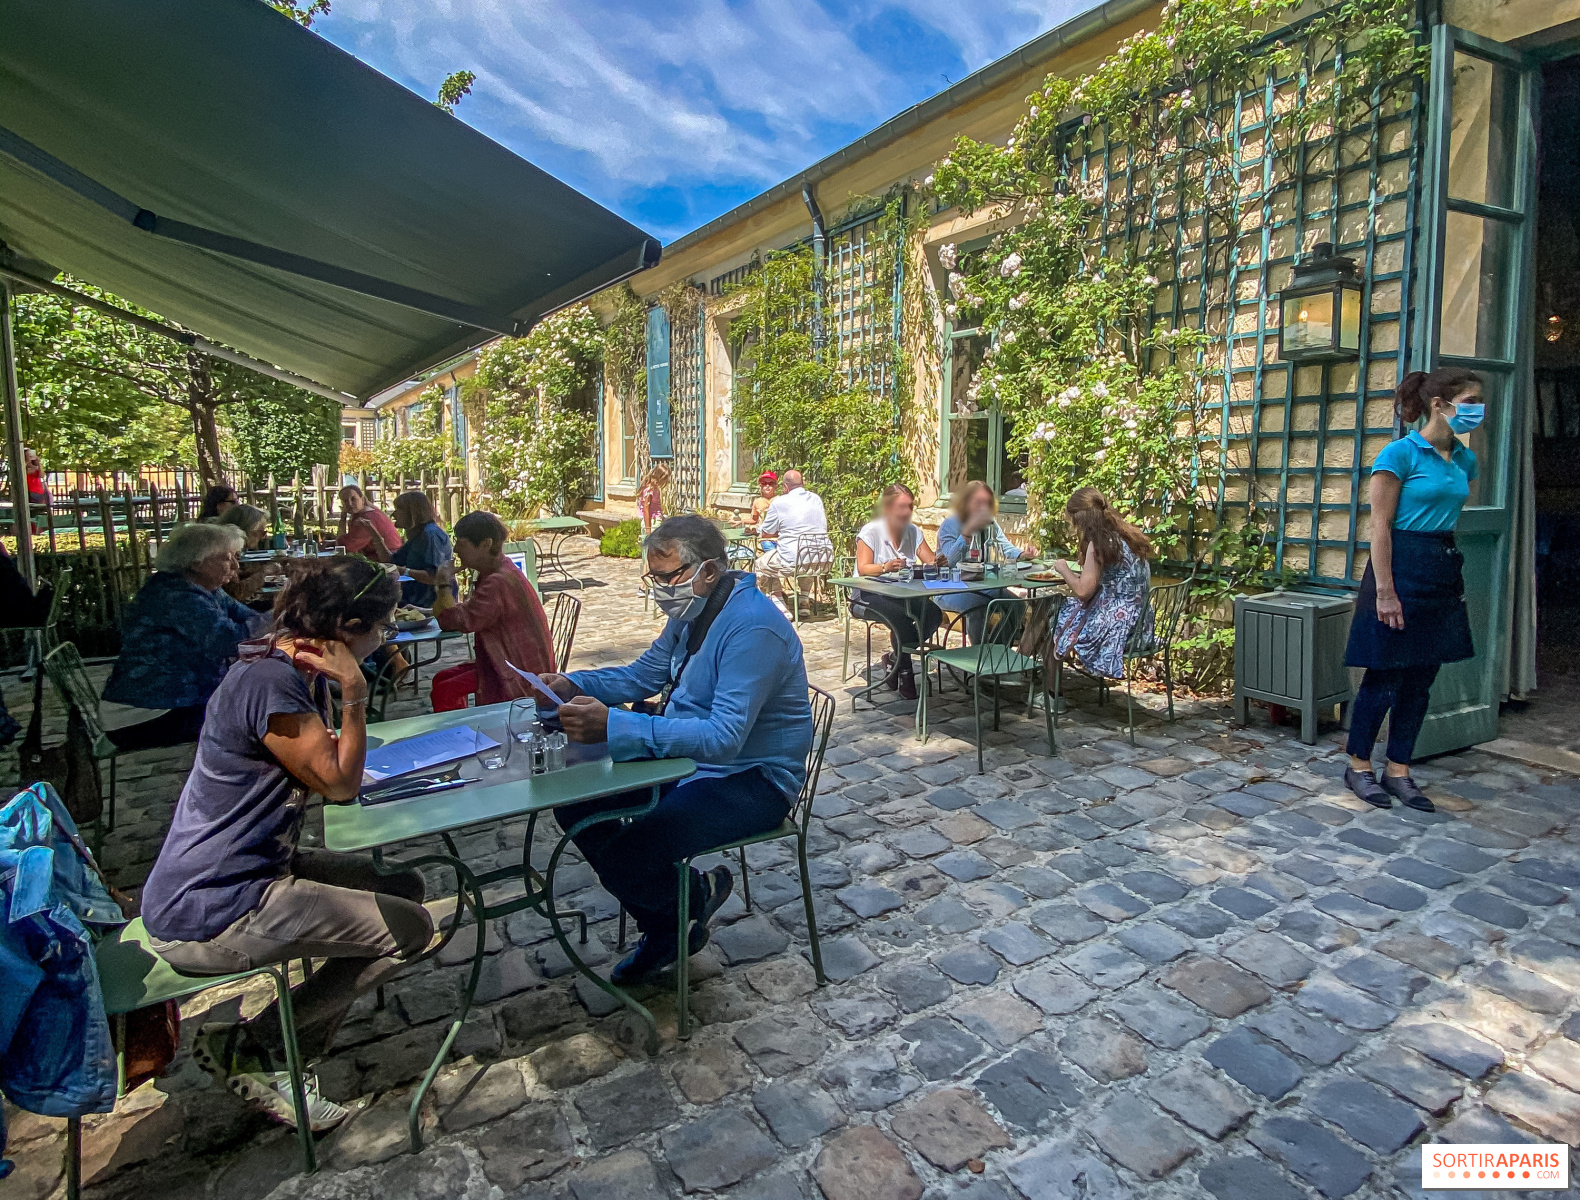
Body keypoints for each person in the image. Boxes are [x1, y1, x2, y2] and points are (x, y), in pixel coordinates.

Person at [140, 557, 427, 1131]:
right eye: (383, 625)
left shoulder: (283, 658)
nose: (384, 636)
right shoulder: (274, 682)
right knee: (411, 929)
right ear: (347, 627)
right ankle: (254, 1046)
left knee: (402, 886)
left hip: (249, 868)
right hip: (215, 901)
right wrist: (354, 692)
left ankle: (292, 1052)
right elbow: (340, 785)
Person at [537, 515, 812, 985]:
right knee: (577, 805)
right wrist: (574, 682)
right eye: (654, 578)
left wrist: (615, 725)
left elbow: (725, 739)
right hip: (690, 757)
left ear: (709, 570)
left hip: (752, 779)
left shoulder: (752, 628)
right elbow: (644, 675)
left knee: (634, 852)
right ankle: (681, 908)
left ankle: (672, 919)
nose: (661, 588)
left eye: (669, 577)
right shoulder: (692, 613)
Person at [1343, 367, 1484, 813]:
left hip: (1439, 566)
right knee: (1384, 675)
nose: (1477, 410)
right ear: (1439, 405)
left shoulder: (1464, 459)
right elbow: (1380, 527)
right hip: (1398, 566)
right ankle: (1359, 764)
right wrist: (1385, 590)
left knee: (1421, 678)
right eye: (1470, 401)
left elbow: (1449, 513)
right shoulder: (1399, 455)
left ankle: (1399, 768)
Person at [101, 522, 268, 750]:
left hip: (174, 701)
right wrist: (281, 615)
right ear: (197, 562)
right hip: (145, 714)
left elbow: (250, 620)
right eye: (226, 557)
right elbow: (230, 641)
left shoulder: (205, 589)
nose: (235, 565)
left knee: (260, 702)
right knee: (260, 716)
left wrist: (275, 619)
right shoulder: (174, 595)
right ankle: (231, 781)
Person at [429, 510, 556, 710]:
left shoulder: (498, 581)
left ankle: (459, 737)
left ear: (486, 544)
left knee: (445, 690)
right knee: (441, 678)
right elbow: (472, 609)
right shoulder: (500, 568)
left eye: (461, 543)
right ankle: (461, 728)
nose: (455, 549)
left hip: (521, 674)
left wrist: (444, 582)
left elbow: (453, 621)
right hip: (507, 663)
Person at [1049, 488, 1154, 679]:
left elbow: (1083, 591)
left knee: (1051, 611)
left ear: (1080, 519)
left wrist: (1063, 568)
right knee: (1059, 612)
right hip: (1141, 625)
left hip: (1118, 630)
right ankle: (1025, 669)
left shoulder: (1099, 543)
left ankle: (1049, 691)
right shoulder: (1126, 537)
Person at [854, 484, 941, 701]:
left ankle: (894, 657)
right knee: (901, 619)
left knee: (934, 614)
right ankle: (906, 672)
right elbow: (863, 568)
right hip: (866, 594)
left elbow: (929, 561)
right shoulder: (871, 531)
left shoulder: (913, 532)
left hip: (902, 595)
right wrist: (886, 567)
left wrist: (938, 562)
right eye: (902, 507)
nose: (906, 512)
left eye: (910, 506)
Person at [935, 480, 1039, 643]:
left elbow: (1004, 547)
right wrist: (966, 534)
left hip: (981, 584)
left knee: (1016, 606)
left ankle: (995, 649)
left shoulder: (990, 523)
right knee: (979, 606)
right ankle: (980, 654)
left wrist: (1022, 554)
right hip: (950, 586)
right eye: (978, 502)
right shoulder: (950, 525)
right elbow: (949, 562)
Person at [755, 468, 832, 608]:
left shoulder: (780, 503)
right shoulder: (816, 499)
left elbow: (765, 532)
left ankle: (779, 603)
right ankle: (804, 601)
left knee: (761, 564)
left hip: (793, 559)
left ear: (785, 487)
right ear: (803, 483)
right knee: (807, 558)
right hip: (824, 558)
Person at [389, 490, 454, 608]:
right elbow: (392, 561)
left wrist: (404, 571)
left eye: (398, 508)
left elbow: (435, 577)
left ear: (412, 512)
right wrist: (375, 535)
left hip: (431, 606)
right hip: (414, 602)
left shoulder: (431, 535)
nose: (393, 514)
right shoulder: (417, 535)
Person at [217, 504, 272, 604]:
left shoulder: (231, 550)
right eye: (260, 532)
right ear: (244, 529)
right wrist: (264, 573)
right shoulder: (223, 553)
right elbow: (237, 592)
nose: (263, 537)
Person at [337, 485, 400, 562]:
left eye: (353, 499)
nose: (349, 504)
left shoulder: (366, 518)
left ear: (362, 499)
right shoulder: (364, 513)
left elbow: (345, 547)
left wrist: (342, 520)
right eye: (345, 501)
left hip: (391, 559)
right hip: (382, 556)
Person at [637, 463, 669, 535]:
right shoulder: (649, 490)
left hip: (655, 519)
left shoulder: (654, 489)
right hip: (652, 522)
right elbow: (646, 509)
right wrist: (648, 529)